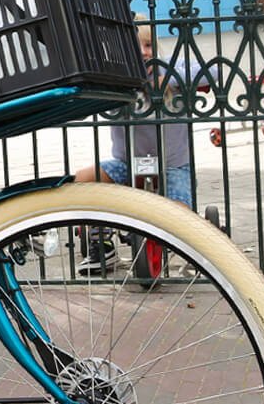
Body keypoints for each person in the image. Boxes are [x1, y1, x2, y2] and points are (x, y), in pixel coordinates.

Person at [70, 22, 196, 272]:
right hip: (127, 164)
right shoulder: (115, 76)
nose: (143, 51)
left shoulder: (169, 67)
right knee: (84, 179)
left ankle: (171, 242)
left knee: (182, 215)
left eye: (148, 45)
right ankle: (102, 243)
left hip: (172, 165)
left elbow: (211, 71)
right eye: (134, 46)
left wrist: (170, 80)